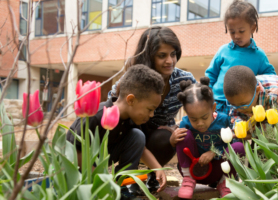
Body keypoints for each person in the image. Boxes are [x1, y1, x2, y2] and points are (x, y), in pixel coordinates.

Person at [108, 26, 197, 190]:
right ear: (149, 56)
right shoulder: (135, 77)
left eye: (173, 54)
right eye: (162, 56)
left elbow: (200, 105)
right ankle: (127, 180)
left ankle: (153, 176)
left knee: (170, 136)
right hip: (132, 131)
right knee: (135, 134)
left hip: (160, 136)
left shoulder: (185, 80)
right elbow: (112, 103)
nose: (170, 61)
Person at [66, 65, 167, 192]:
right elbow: (76, 151)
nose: (152, 115)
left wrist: (157, 168)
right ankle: (103, 187)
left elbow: (142, 148)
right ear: (131, 100)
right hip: (75, 166)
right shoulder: (95, 116)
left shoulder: (132, 118)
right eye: (150, 109)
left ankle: (123, 186)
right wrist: (101, 179)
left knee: (137, 136)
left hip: (101, 161)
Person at [173, 77, 245, 199]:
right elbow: (181, 147)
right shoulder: (185, 123)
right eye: (194, 119)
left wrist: (214, 152)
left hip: (218, 170)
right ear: (186, 113)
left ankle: (225, 183)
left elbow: (230, 146)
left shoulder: (223, 121)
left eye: (204, 117)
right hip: (193, 170)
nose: (199, 123)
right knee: (182, 134)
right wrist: (172, 140)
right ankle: (187, 181)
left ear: (213, 108)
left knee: (238, 146)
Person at [205, 0, 276, 116]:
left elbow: (271, 78)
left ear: (253, 28)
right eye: (232, 32)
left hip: (243, 107)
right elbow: (210, 75)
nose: (236, 36)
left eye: (241, 31)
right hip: (217, 104)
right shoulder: (223, 51)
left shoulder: (259, 56)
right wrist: (208, 96)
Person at [224, 65, 278, 139]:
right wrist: (239, 125)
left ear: (257, 91)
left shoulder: (275, 96)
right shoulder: (240, 98)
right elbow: (235, 114)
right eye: (233, 105)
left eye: (243, 105)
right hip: (262, 105)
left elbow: (277, 128)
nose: (239, 109)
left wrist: (255, 134)